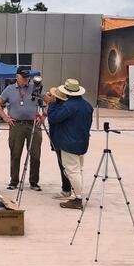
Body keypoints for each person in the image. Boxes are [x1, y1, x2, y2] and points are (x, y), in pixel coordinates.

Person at [47, 78, 94, 210]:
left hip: (69, 142)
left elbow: (53, 118)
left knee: (72, 171)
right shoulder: (87, 106)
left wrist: (51, 104)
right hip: (82, 141)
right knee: (78, 170)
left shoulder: (68, 106)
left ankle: (77, 198)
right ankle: (76, 194)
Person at [0, 68, 43, 192]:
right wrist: (5, 117)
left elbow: (48, 102)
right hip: (16, 125)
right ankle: (14, 180)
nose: (26, 80)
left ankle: (34, 181)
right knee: (15, 154)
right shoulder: (10, 89)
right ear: (17, 77)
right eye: (23, 77)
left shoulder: (35, 88)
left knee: (35, 155)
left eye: (27, 77)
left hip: (33, 125)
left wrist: (43, 116)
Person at [44, 87, 74, 200]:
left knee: (64, 165)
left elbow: (52, 118)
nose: (50, 96)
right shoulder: (62, 106)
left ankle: (67, 189)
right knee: (65, 165)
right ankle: (69, 187)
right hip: (60, 139)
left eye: (52, 95)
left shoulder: (58, 107)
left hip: (61, 140)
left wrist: (50, 105)